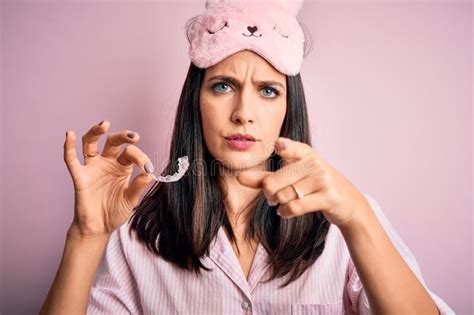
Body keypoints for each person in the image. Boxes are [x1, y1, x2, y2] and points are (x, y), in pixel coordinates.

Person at [40, 0, 455, 314]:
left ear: (288, 111)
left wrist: (359, 218)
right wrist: (86, 237)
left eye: (268, 90)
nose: (243, 112)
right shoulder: (135, 237)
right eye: (222, 86)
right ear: (196, 102)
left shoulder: (345, 222)